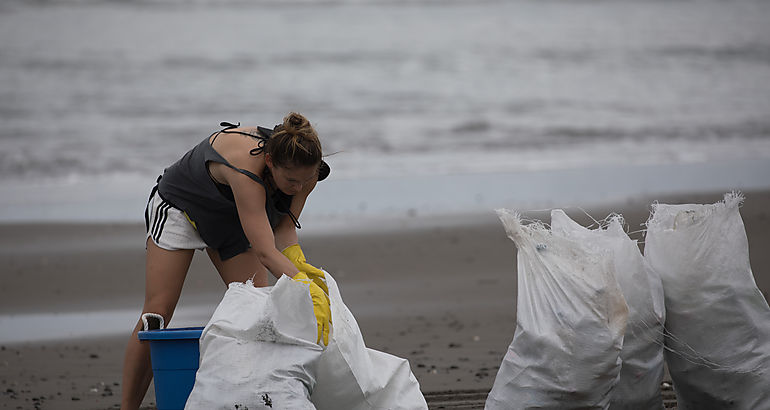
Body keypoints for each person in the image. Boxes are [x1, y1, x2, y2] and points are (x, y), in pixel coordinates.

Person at [120, 112, 331, 410]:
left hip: (233, 219)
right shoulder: (246, 170)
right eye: (292, 181)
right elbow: (265, 252)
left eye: (305, 180)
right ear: (270, 162)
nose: (299, 187)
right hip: (181, 207)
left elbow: (284, 227)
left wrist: (300, 265)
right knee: (156, 315)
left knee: (258, 311)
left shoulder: (307, 169)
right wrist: (303, 284)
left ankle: (247, 398)